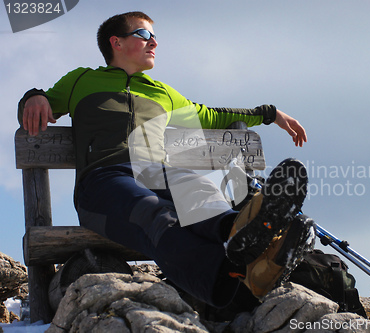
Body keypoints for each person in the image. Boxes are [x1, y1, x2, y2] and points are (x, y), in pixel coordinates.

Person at [18, 11, 315, 308]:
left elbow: (212, 116)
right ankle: (229, 280)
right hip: (103, 185)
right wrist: (33, 96)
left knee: (198, 190)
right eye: (144, 35)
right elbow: (40, 105)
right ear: (116, 42)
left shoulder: (163, 93)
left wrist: (269, 113)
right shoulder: (82, 80)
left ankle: (247, 242)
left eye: (155, 37)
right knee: (154, 213)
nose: (154, 43)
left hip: (156, 174)